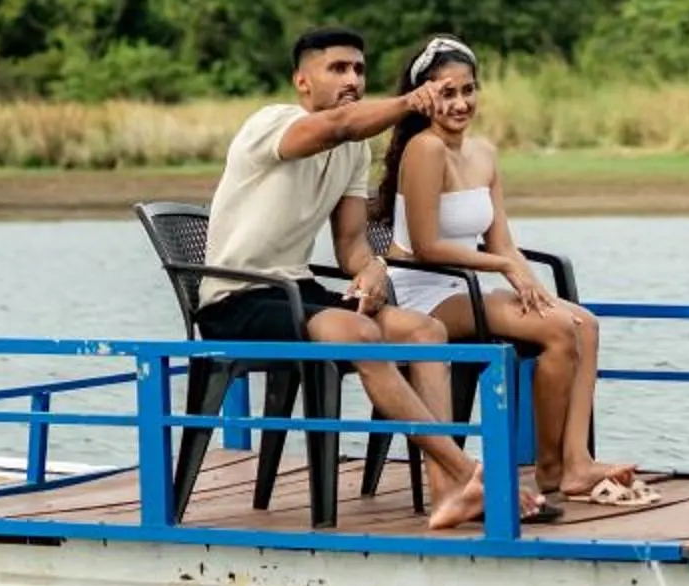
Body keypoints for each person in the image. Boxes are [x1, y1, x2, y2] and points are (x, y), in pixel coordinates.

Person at [195, 26, 523, 532]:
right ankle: (466, 473)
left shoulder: (353, 153)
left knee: (424, 331)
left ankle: (446, 496)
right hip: (237, 299)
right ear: (302, 82)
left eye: (359, 70)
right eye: (338, 68)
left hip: (295, 291)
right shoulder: (272, 123)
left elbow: (350, 244)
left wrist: (372, 269)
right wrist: (411, 101)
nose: (352, 78)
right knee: (360, 332)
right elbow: (343, 124)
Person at [375, 35, 647, 513]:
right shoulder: (424, 150)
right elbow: (425, 246)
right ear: (424, 96)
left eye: (468, 90)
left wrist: (531, 284)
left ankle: (576, 460)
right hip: (422, 290)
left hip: (468, 284)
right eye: (447, 92)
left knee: (583, 322)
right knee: (559, 331)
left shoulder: (484, 153)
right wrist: (503, 269)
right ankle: (550, 467)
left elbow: (501, 240)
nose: (460, 103)